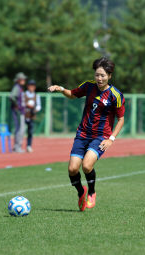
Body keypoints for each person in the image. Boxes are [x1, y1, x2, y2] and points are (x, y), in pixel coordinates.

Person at [48, 57, 125, 211]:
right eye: (97, 75)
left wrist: (111, 139)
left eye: (103, 75)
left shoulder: (115, 95)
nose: (99, 78)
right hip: (83, 134)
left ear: (109, 76)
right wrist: (61, 89)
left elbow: (121, 119)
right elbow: (72, 94)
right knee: (72, 169)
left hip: (101, 136)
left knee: (87, 165)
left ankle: (92, 192)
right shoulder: (88, 87)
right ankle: (81, 192)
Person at [22, 79, 41, 153]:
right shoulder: (24, 94)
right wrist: (27, 105)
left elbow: (39, 106)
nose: (31, 87)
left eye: (33, 86)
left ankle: (28, 146)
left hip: (31, 116)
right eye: (30, 86)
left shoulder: (37, 96)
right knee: (22, 131)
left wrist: (35, 110)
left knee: (30, 132)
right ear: (28, 87)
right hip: (24, 115)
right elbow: (22, 104)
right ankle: (19, 146)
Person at [10, 72, 27, 153]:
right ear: (18, 80)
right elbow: (11, 96)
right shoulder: (17, 87)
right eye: (22, 79)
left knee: (21, 129)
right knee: (20, 129)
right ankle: (17, 147)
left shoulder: (20, 87)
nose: (24, 80)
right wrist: (17, 105)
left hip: (21, 111)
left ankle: (17, 146)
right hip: (18, 111)